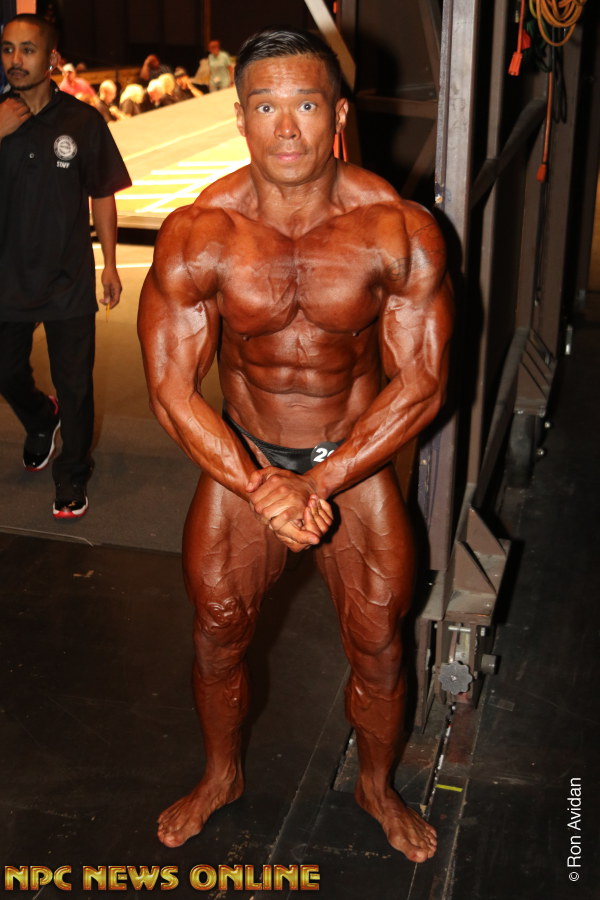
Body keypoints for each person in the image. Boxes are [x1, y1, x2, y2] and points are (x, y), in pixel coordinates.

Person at [138, 26, 453, 862]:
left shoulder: (397, 228)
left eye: (306, 106)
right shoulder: (199, 231)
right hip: (245, 461)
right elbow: (171, 390)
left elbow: (422, 383)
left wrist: (320, 482)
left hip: (351, 465)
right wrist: (258, 485)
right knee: (217, 633)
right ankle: (221, 775)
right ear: (239, 116)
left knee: (379, 645)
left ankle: (376, 786)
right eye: (265, 107)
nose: (285, 128)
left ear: (338, 115)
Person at [0, 13, 131, 518]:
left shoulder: (83, 122)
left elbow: (102, 193)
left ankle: (72, 474)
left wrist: (110, 264)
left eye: (27, 49)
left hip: (67, 280)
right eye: (7, 49)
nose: (15, 59)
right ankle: (40, 418)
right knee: (5, 370)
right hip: (7, 279)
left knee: (75, 387)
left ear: (52, 58)